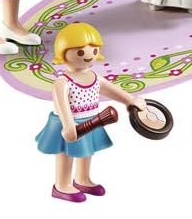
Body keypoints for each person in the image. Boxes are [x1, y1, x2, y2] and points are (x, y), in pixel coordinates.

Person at [37, 23, 171, 202]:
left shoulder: (94, 77)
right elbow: (62, 105)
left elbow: (111, 90)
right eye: (80, 52)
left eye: (94, 51)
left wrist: (129, 100)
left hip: (92, 120)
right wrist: (68, 125)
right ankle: (61, 184)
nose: (88, 56)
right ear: (63, 53)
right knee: (65, 153)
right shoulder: (63, 82)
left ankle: (82, 179)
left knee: (86, 151)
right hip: (68, 123)